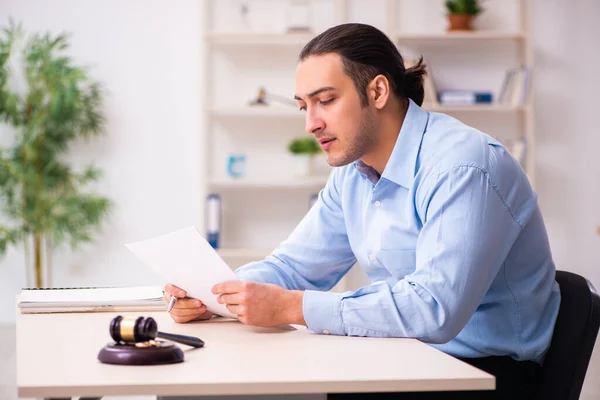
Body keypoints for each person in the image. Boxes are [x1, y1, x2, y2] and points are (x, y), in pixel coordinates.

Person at [165, 23, 560, 399]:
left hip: (486, 375)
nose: (310, 124)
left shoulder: (462, 166)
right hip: (408, 357)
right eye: (304, 107)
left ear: (378, 91)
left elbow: (433, 309)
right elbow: (293, 267)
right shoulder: (353, 174)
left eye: (325, 101)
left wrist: (291, 306)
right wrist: (215, 292)